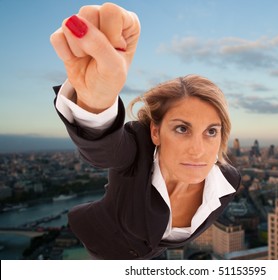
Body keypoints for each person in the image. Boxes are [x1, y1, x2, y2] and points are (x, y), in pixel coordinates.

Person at [50, 2, 240, 259]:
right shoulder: (136, 152)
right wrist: (96, 99)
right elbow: (104, 149)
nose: (198, 149)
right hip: (101, 248)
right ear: (155, 132)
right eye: (182, 128)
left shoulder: (229, 182)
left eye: (211, 132)